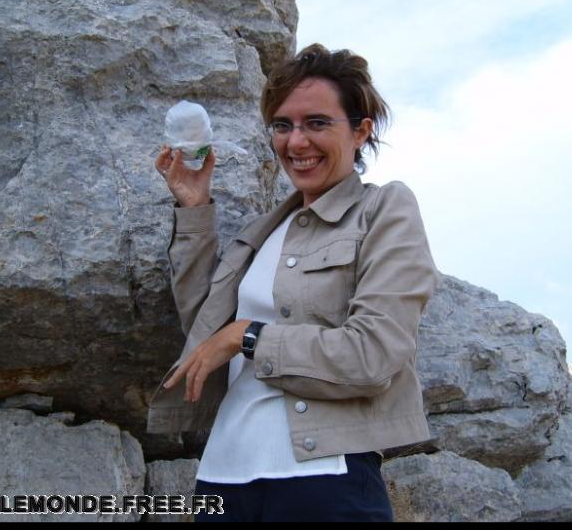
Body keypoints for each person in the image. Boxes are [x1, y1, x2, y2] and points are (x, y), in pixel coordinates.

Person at [148, 43, 438, 522]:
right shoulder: (262, 232)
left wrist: (248, 336)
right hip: (222, 478)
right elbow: (204, 329)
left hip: (325, 480)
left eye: (317, 123)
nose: (296, 142)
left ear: (361, 131)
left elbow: (374, 355)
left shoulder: (385, 209)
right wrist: (194, 207)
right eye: (283, 125)